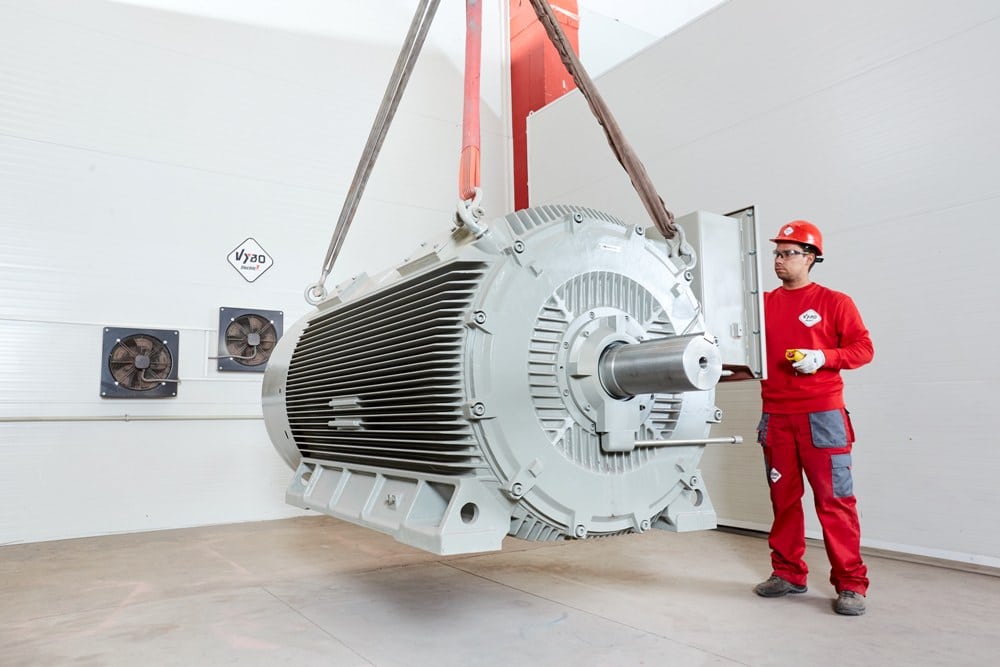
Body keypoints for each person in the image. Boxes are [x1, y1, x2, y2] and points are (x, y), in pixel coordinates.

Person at [753, 220, 874, 616]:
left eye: (788, 253)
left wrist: (823, 357)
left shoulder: (834, 302)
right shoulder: (762, 305)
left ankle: (851, 585)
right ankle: (788, 573)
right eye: (776, 253)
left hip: (823, 417)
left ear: (811, 258)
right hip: (776, 417)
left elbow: (863, 348)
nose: (779, 260)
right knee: (783, 500)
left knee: (835, 501)